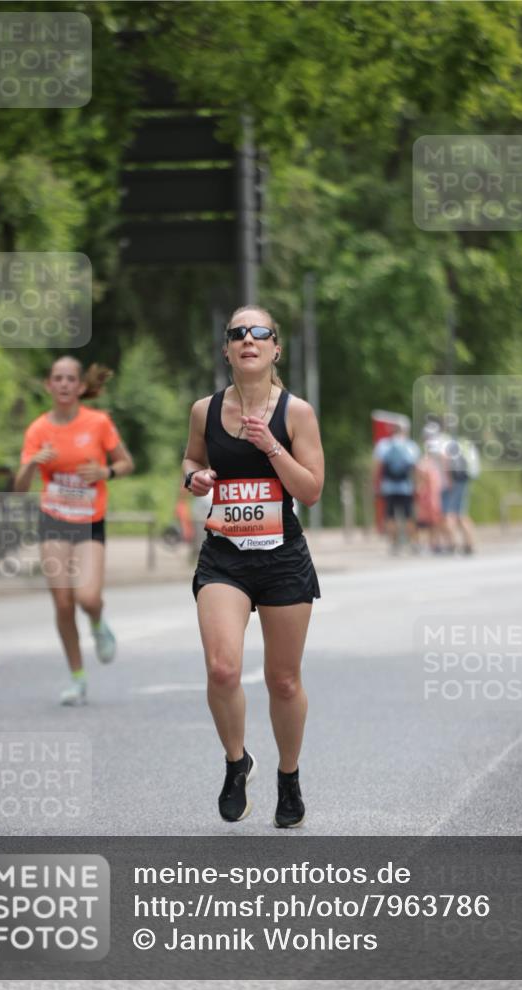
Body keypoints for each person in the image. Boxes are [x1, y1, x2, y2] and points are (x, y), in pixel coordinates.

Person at [182, 305, 323, 828]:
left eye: (259, 332)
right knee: (222, 668)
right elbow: (192, 460)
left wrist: (271, 445)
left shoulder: (297, 413)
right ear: (226, 350)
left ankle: (289, 777)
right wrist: (194, 479)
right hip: (225, 555)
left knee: (283, 681)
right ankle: (237, 762)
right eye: (237, 333)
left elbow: (310, 489)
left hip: (283, 556)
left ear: (275, 349)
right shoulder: (205, 409)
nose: (248, 339)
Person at [14, 356, 134, 704]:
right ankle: (77, 678)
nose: (64, 384)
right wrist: (33, 463)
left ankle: (97, 621)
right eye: (58, 378)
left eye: (70, 379)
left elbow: (125, 463)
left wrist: (105, 473)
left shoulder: (98, 423)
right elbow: (20, 488)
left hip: (89, 520)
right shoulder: (38, 430)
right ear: (49, 386)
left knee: (87, 597)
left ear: (81, 387)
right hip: (53, 519)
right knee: (63, 603)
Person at [372, 420, 420, 553]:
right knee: (409, 515)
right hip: (406, 487)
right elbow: (415, 468)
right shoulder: (410, 445)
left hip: (388, 486)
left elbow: (378, 467)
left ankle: (394, 544)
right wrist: (417, 485)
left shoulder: (383, 445)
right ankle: (414, 543)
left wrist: (376, 483)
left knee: (390, 515)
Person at [441, 434, 480, 555]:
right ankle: (469, 544)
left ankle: (452, 545)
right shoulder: (465, 443)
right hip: (464, 480)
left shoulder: (446, 443)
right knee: (460, 513)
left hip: (453, 482)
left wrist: (449, 481)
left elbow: (445, 463)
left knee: (450, 513)